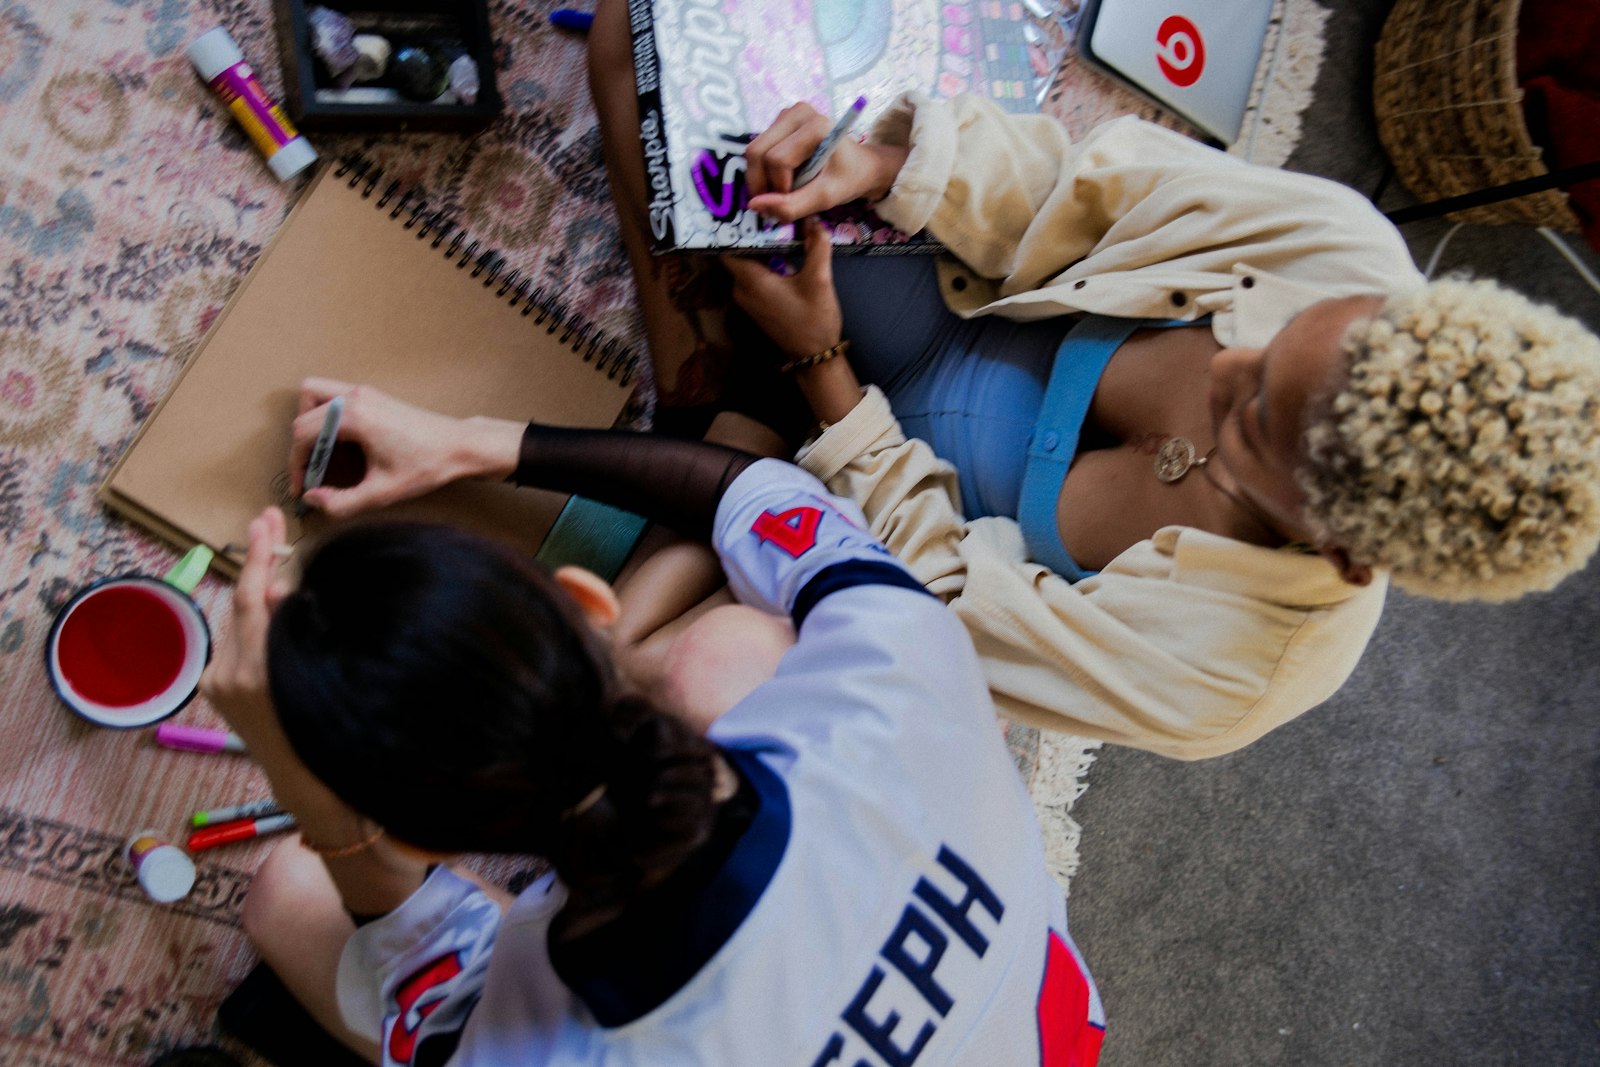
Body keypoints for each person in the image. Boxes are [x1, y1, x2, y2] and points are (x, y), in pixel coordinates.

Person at [585, 0, 1600, 759]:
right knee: (640, 42)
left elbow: (929, 608)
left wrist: (820, 371)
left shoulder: (1226, 676)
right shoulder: (1343, 246)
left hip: (869, 534)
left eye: (1249, 416)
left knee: (689, 694)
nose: (1231, 357)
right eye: (1278, 334)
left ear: (1341, 555)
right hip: (930, 316)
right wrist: (886, 168)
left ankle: (728, 404)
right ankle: (715, 394)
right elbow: (1078, 192)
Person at [201, 411, 1106, 1066]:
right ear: (591, 603)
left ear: (422, 843)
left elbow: (421, 999)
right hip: (1039, 1032)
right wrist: (471, 441)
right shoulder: (901, 668)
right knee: (731, 654)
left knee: (288, 888)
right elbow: (749, 489)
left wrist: (306, 790)